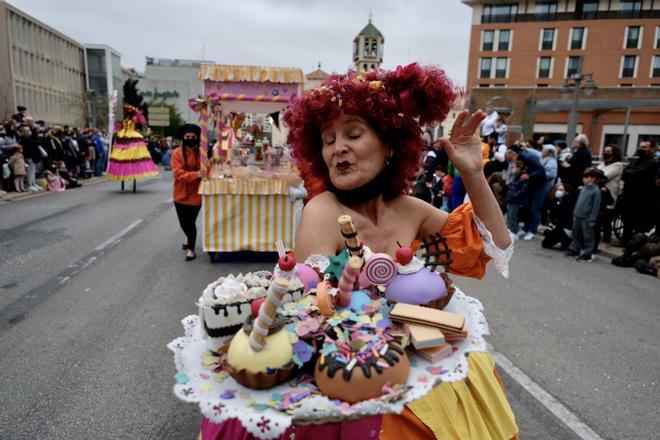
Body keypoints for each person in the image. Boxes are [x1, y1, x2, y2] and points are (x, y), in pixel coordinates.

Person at [172, 124, 205, 261]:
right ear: (183, 138)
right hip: (180, 194)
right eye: (187, 137)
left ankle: (191, 249)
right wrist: (196, 174)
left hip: (196, 194)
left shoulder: (202, 153)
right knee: (184, 223)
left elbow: (206, 170)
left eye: (193, 137)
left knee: (191, 223)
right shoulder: (177, 153)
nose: (190, 139)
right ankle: (187, 238)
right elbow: (178, 174)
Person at [621, 139, 658, 244]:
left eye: (644, 147)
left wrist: (630, 173)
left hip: (642, 198)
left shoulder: (653, 162)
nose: (641, 149)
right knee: (627, 220)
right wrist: (631, 173)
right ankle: (625, 241)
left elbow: (636, 174)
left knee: (639, 223)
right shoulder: (635, 160)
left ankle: (636, 244)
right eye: (640, 147)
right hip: (629, 195)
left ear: (651, 149)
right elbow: (624, 174)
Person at [507, 144, 546, 240]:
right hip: (531, 184)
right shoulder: (522, 158)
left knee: (535, 208)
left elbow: (541, 170)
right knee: (528, 207)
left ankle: (532, 231)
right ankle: (525, 229)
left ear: (514, 153)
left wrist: (529, 175)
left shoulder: (529, 157)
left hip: (539, 185)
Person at [566, 168, 602, 262]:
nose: (584, 179)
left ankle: (588, 253)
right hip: (578, 215)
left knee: (588, 236)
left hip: (587, 217)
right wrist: (574, 214)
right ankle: (576, 248)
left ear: (593, 178)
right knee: (576, 233)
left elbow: (595, 207)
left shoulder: (596, 191)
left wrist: (592, 219)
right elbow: (578, 202)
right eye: (584, 177)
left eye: (587, 177)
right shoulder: (583, 189)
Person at [596, 144, 623, 243]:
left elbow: (604, 177)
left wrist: (596, 175)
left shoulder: (617, 165)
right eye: (605, 151)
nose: (606, 153)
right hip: (599, 193)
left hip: (609, 194)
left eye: (608, 151)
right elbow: (596, 174)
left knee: (606, 219)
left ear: (614, 153)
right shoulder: (603, 163)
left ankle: (607, 240)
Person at [542, 182, 577, 250]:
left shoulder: (570, 202)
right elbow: (552, 216)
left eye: (561, 190)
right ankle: (558, 240)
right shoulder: (555, 201)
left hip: (566, 228)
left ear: (567, 192)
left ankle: (566, 242)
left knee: (557, 232)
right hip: (557, 226)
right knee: (545, 242)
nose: (558, 191)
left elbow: (567, 218)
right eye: (558, 189)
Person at [505, 160, 528, 239]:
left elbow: (523, 190)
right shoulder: (516, 176)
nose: (513, 169)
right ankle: (511, 230)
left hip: (515, 200)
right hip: (511, 199)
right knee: (509, 216)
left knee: (513, 216)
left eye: (514, 167)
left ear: (519, 168)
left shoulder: (523, 178)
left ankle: (514, 231)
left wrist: (514, 195)